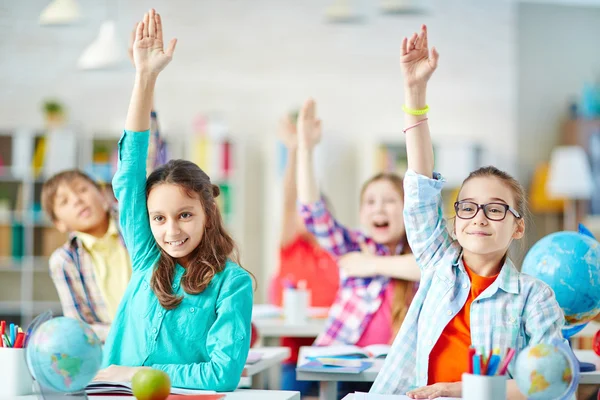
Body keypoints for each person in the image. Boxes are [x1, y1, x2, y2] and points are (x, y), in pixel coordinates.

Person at [370, 24, 564, 400]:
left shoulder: (534, 298)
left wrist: (456, 391)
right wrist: (415, 91)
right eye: (469, 207)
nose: (478, 217)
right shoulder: (438, 264)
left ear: (518, 227)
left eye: (495, 209)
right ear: (455, 223)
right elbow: (420, 185)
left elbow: (551, 382)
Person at [93, 9, 253, 391]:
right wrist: (144, 77)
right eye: (159, 218)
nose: (172, 230)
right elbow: (131, 170)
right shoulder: (146, 257)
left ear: (207, 215)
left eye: (184, 215)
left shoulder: (233, 283)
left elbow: (222, 376)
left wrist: (131, 374)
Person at [296, 98, 421, 396]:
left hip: (397, 372)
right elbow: (313, 211)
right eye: (370, 202)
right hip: (342, 364)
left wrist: (371, 264)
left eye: (390, 201)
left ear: (407, 209)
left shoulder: (421, 249)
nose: (380, 209)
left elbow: (434, 267)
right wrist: (305, 148)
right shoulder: (353, 244)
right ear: (362, 213)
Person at [269, 112, 339, 395]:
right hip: (295, 358)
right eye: (302, 211)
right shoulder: (292, 247)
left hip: (335, 355)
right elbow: (288, 201)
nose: (305, 216)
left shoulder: (338, 251)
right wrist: (294, 149)